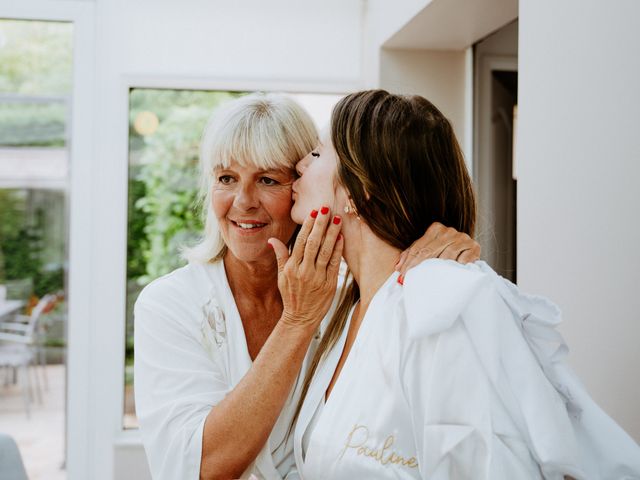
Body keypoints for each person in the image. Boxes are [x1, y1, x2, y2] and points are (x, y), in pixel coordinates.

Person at [277, 89, 640, 479]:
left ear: (358, 188)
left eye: (316, 154)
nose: (299, 165)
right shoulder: (340, 311)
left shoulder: (446, 305)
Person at [133, 93, 480, 480]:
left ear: (302, 184)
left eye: (268, 180)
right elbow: (200, 467)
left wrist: (447, 243)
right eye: (226, 178)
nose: (243, 202)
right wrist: (297, 322)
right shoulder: (169, 304)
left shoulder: (355, 298)